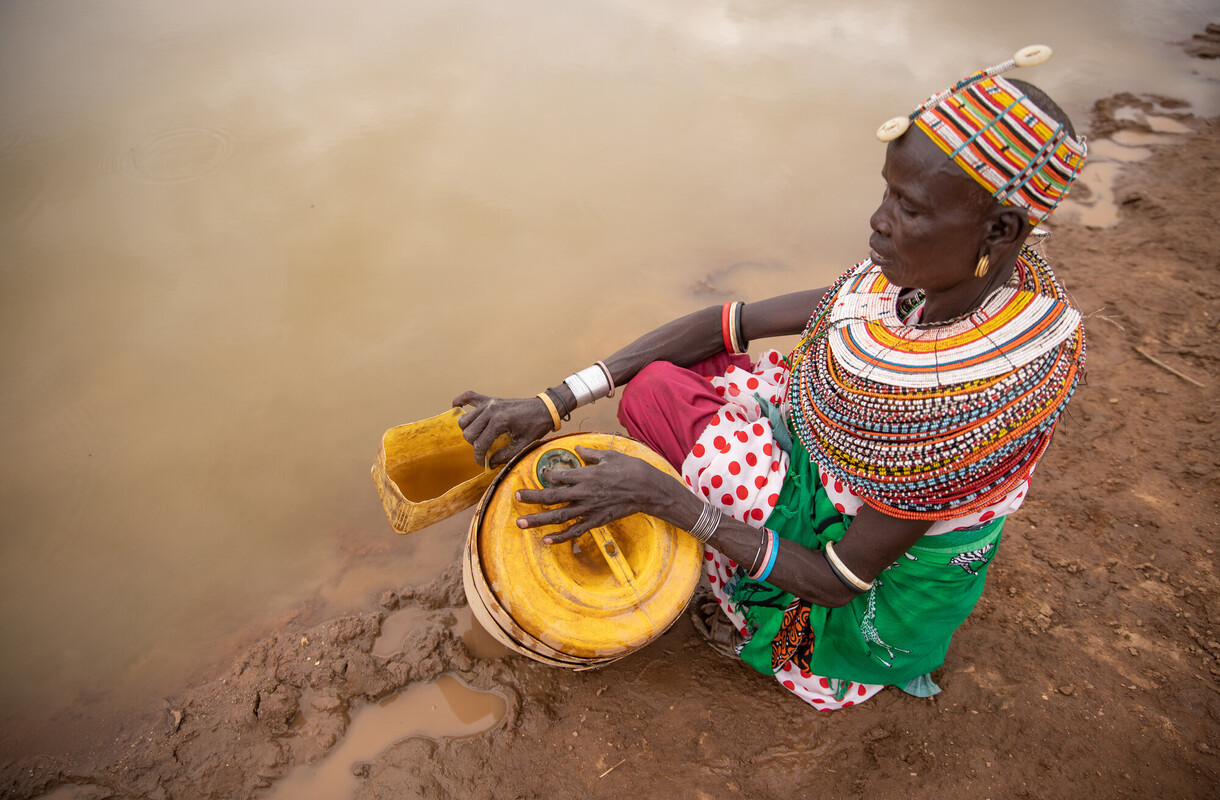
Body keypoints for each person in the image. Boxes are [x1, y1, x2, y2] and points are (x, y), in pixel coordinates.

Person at [454, 46, 1088, 710]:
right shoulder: (919, 285)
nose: (878, 220)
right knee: (668, 380)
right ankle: (727, 513)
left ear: (1001, 229)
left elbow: (840, 579)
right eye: (886, 191)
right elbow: (729, 323)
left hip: (855, 574)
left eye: (911, 207)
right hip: (840, 463)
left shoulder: (965, 407)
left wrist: (672, 503)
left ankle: (751, 612)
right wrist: (554, 401)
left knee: (666, 425)